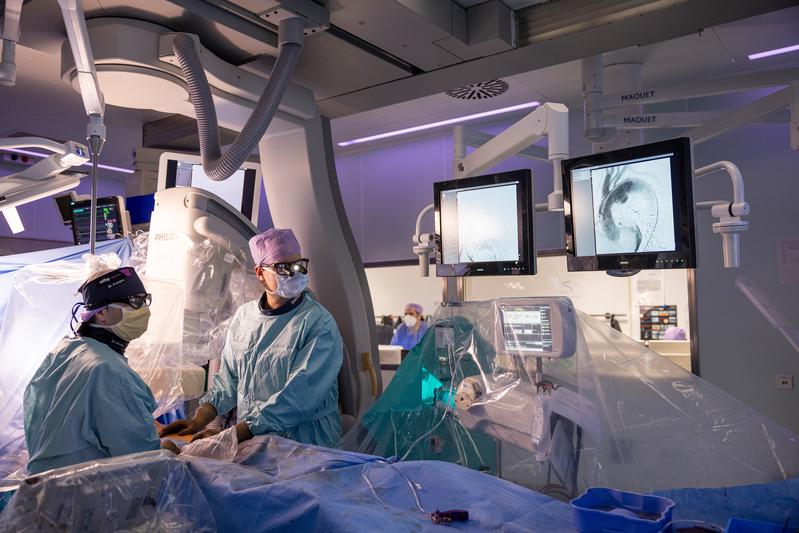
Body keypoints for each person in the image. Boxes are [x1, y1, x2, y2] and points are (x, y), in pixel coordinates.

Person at [160, 228, 344, 448]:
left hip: (307, 443)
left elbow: (299, 398)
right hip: (256, 438)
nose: (295, 273)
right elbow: (229, 380)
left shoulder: (318, 323)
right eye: (283, 267)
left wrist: (234, 435)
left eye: (299, 265)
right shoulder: (244, 318)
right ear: (259, 273)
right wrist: (201, 417)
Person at [23, 267, 178, 475]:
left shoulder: (63, 352)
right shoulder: (108, 371)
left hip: (48, 491)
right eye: (134, 302)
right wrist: (168, 450)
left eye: (145, 300)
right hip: (86, 497)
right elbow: (144, 459)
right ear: (103, 313)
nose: (144, 310)